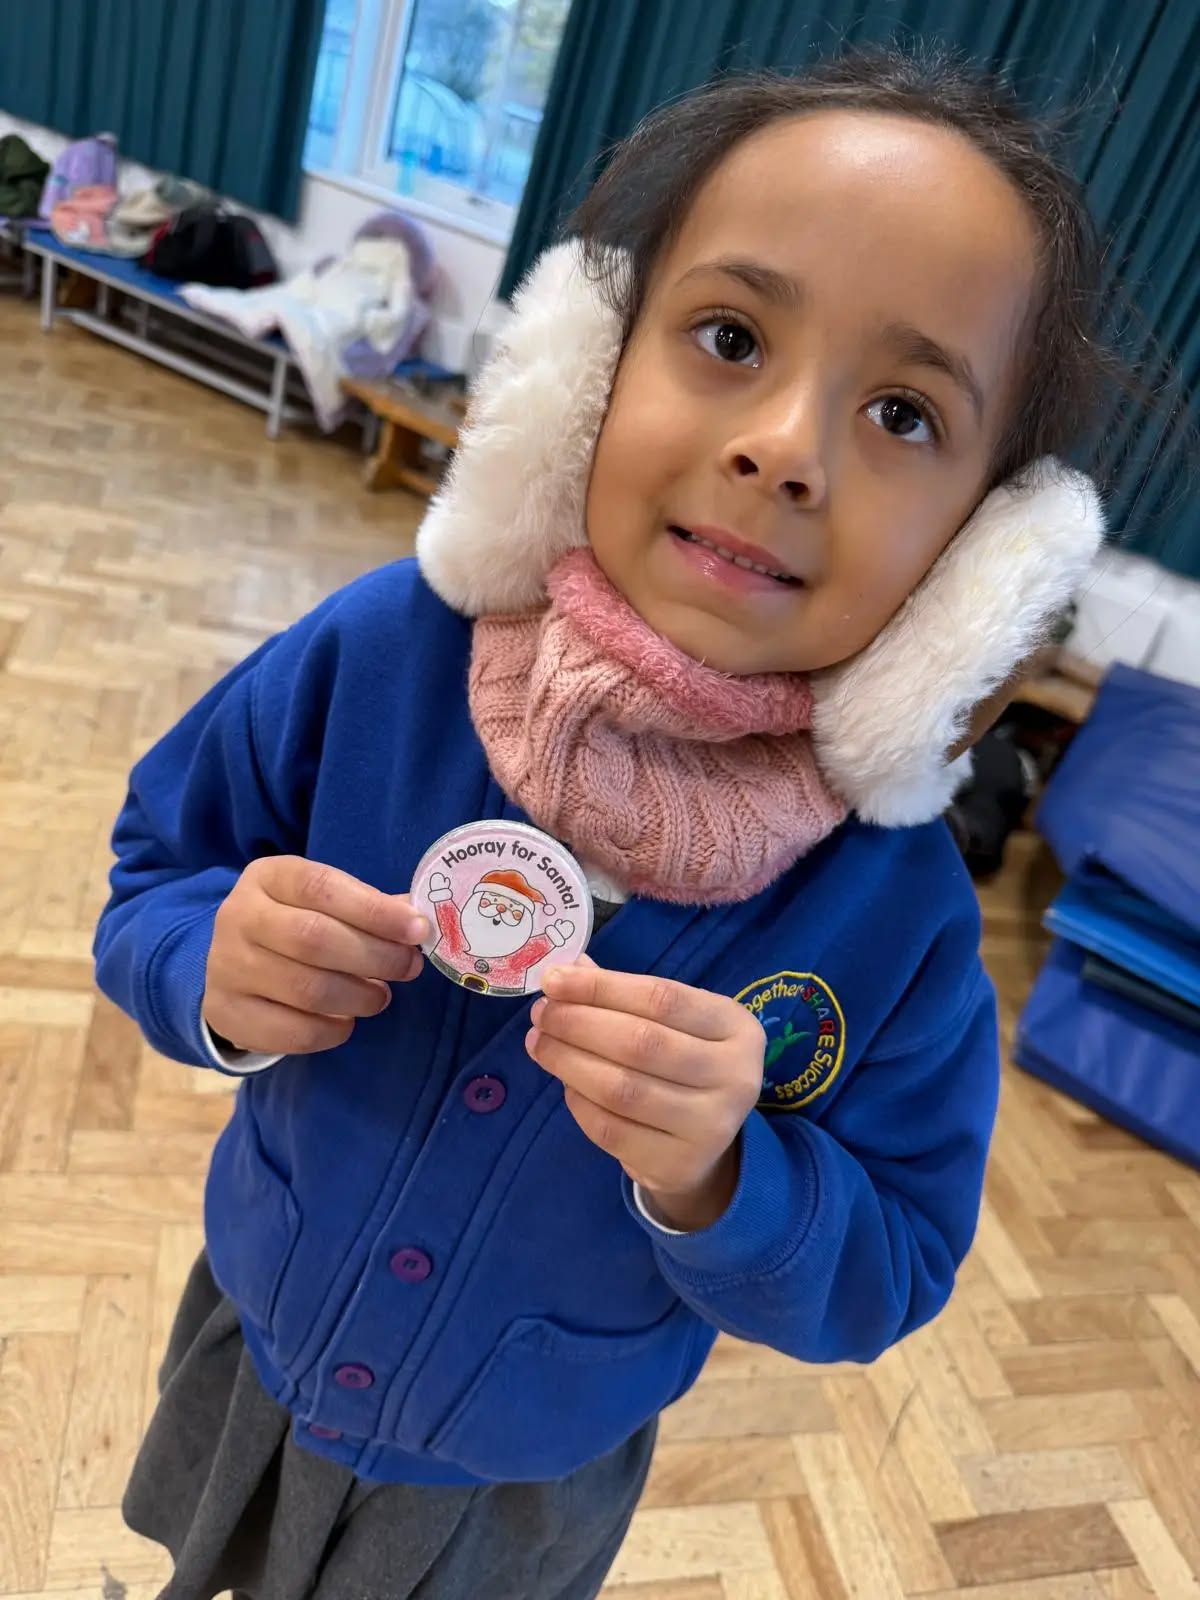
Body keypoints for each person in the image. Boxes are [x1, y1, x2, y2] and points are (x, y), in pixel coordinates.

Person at [95, 46, 1109, 1600]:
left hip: (523, 1476)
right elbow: (155, 875)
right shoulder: (381, 654)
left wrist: (727, 1180)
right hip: (263, 1342)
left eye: (904, 412)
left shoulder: (897, 912)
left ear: (985, 549)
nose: (786, 447)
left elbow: (893, 1266)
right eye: (729, 336)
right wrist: (208, 972)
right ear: (588, 367)